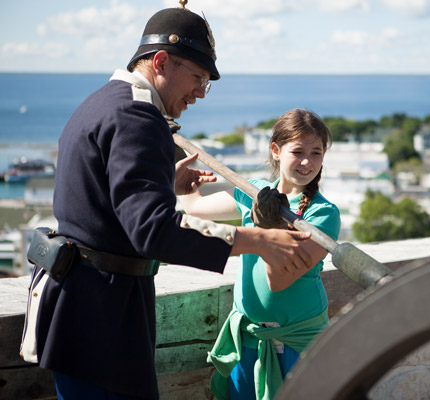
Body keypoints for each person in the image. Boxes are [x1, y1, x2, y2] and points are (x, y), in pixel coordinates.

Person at [19, 5, 314, 400]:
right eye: (196, 76)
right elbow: (152, 231)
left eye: (206, 82)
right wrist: (257, 241)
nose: (199, 92)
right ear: (160, 61)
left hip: (78, 307)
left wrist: (164, 185)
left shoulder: (103, 102)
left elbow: (97, 199)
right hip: (101, 320)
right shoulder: (139, 119)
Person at [177, 108, 341, 399]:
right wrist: (182, 186)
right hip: (249, 340)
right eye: (298, 151)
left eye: (316, 153)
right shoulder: (252, 192)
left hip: (298, 345)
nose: (307, 161)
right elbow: (195, 207)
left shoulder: (322, 215)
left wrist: (268, 229)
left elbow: (279, 281)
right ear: (276, 151)